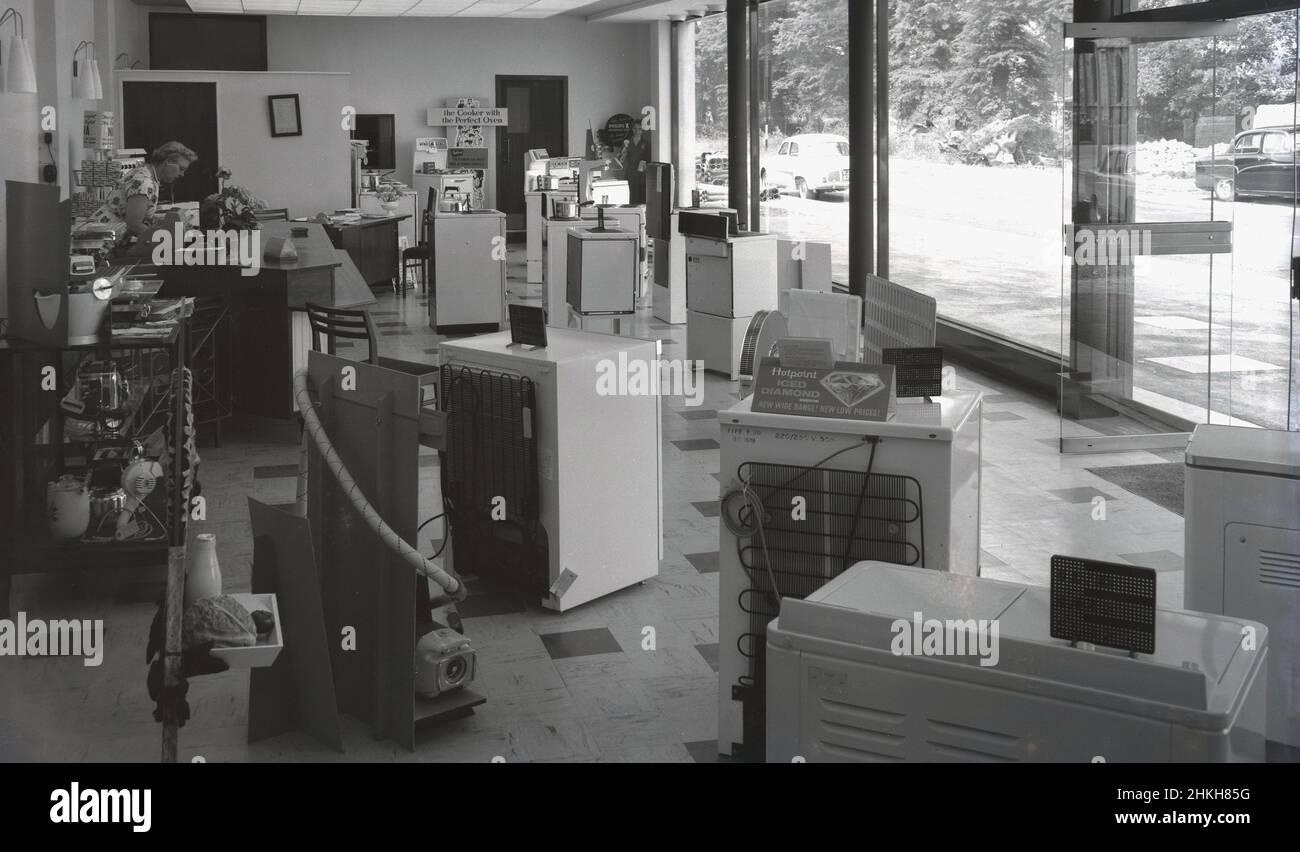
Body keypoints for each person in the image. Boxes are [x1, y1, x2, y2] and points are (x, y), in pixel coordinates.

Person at [89, 141, 197, 240]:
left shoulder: (147, 174)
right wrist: (164, 238)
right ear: (168, 161)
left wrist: (165, 224)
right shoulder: (144, 182)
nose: (182, 174)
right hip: (100, 242)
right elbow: (134, 225)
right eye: (181, 169)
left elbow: (144, 216)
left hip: (103, 236)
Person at [622, 125, 652, 205]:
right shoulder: (627, 142)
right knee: (630, 194)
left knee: (642, 194)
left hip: (642, 173)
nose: (637, 131)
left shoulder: (646, 143)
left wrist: (645, 164)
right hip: (630, 172)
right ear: (632, 129)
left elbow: (649, 158)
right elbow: (622, 158)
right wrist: (623, 154)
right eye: (635, 128)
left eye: (639, 129)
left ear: (642, 130)